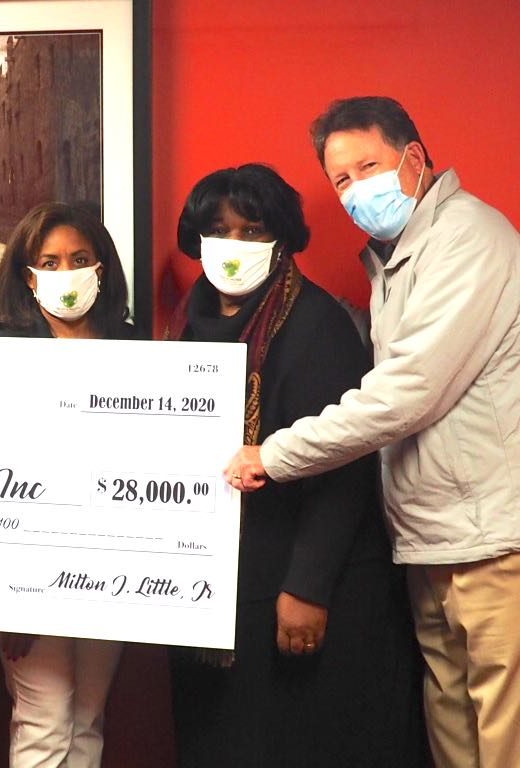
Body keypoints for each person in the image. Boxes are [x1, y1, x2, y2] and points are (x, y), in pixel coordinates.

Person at [225, 97, 520, 768]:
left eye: (370, 166)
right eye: (342, 180)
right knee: (453, 731)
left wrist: (274, 454)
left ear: (414, 159)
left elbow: (407, 395)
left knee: (504, 739)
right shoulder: (397, 258)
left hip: (494, 543)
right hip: (433, 540)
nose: (359, 190)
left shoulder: (468, 238)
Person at [166, 164, 424, 768]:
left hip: (301, 586)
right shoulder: (184, 322)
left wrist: (305, 588)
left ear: (281, 239)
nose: (234, 245)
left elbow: (346, 467)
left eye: (253, 231)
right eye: (218, 229)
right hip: (214, 591)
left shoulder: (317, 323)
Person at [0, 201, 132, 768]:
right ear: (27, 277)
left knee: (87, 720)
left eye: (79, 258)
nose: (64, 272)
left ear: (102, 267)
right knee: (45, 718)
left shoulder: (136, 353)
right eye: (47, 262)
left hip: (111, 564)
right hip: (25, 574)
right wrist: (7, 595)